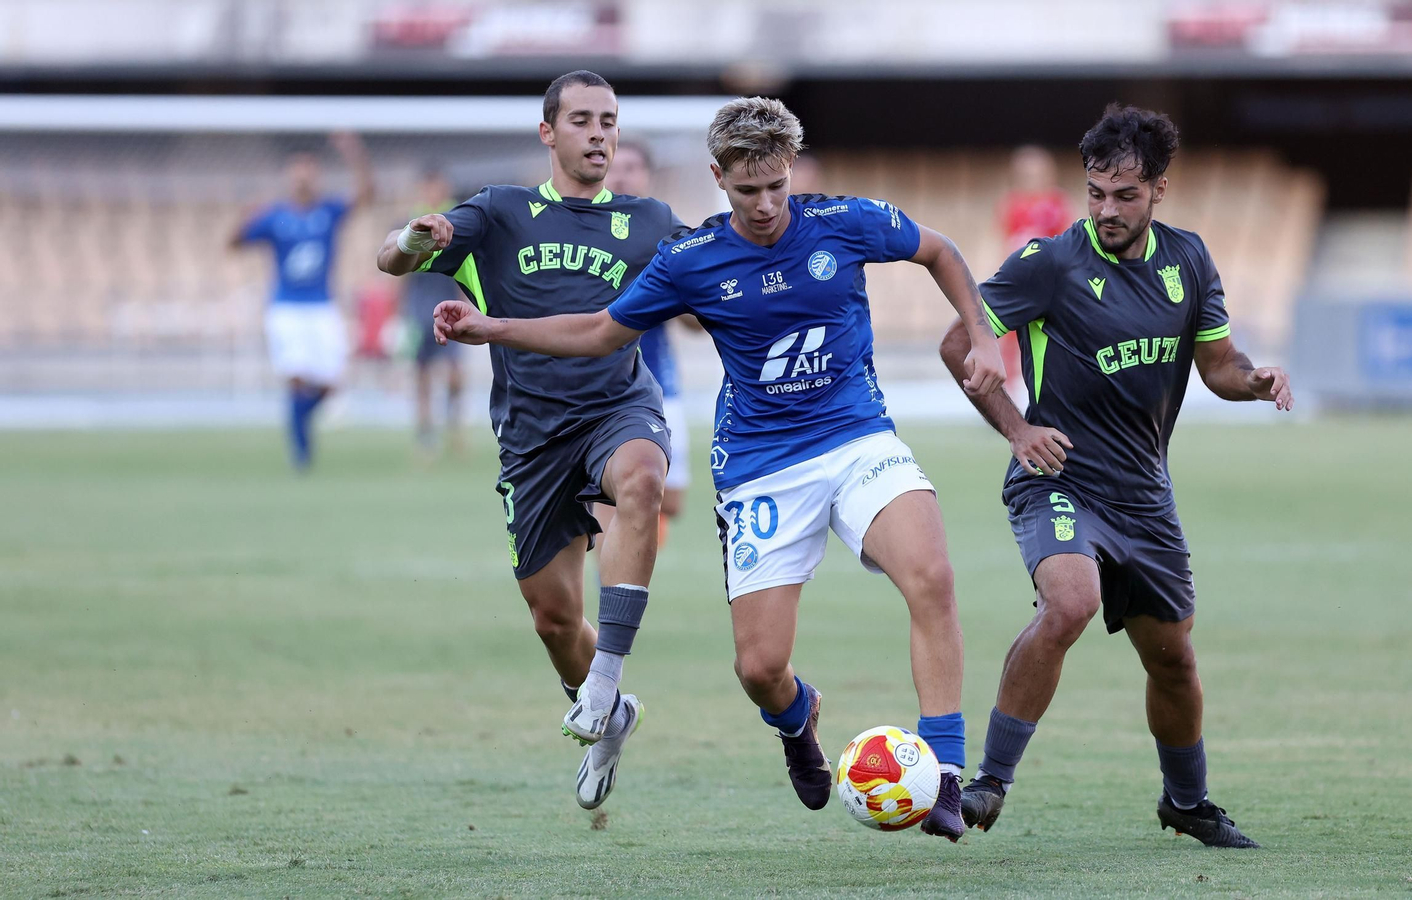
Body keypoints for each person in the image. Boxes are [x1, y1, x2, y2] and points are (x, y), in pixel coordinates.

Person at [431, 96, 1006, 841]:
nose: (766, 206)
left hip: (858, 438)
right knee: (760, 668)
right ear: (718, 178)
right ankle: (799, 723)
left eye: (776, 187)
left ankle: (946, 776)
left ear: (789, 171)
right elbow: (602, 331)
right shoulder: (691, 259)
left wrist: (984, 337)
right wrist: (493, 327)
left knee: (931, 575)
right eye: (747, 191)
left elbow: (941, 252)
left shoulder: (845, 221)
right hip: (763, 468)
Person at [940, 105, 1293, 848]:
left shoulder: (1190, 261)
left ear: (1159, 190)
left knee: (1173, 659)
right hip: (1059, 478)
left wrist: (1255, 380)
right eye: (1095, 193)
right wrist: (1017, 427)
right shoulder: (1050, 264)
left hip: (1144, 496)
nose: (1105, 209)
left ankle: (1187, 803)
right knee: (1069, 603)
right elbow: (956, 344)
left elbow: (1218, 366)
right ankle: (989, 782)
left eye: (1124, 195)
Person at [376, 70, 682, 810]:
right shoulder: (500, 212)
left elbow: (708, 297)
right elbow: (391, 260)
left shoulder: (649, 220)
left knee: (643, 480)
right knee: (551, 617)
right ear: (548, 132)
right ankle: (608, 713)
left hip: (617, 409)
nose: (599, 134)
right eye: (582, 120)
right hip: (532, 437)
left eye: (608, 120)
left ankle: (606, 678)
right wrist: (414, 238)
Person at [232, 132, 373, 471]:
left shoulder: (329, 210)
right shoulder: (274, 216)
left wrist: (354, 154)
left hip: (322, 306)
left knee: (331, 383)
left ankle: (300, 424)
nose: (303, 175)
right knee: (296, 377)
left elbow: (367, 194)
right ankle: (301, 456)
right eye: (298, 169)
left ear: (317, 175)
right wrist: (245, 216)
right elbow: (234, 243)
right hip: (287, 308)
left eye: (309, 169)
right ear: (289, 175)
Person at [594, 142, 689, 543]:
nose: (621, 175)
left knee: (671, 499)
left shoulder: (663, 232)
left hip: (660, 384)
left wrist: (674, 295)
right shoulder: (584, 231)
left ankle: (627, 560)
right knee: (615, 490)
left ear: (648, 175)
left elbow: (695, 323)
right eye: (615, 166)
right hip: (598, 388)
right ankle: (613, 589)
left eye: (632, 166)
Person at [994, 145, 1075, 406]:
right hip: (1019, 280)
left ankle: (1057, 395)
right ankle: (1004, 396)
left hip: (1049, 282)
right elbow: (1007, 242)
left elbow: (1067, 242)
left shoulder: (1058, 204)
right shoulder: (1011, 204)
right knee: (1007, 337)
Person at [399, 167, 464, 457]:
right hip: (418, 307)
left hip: (449, 305)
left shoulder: (457, 219)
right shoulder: (412, 222)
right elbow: (399, 270)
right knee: (422, 373)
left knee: (454, 375)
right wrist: (398, 312)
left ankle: (453, 427)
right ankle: (425, 433)